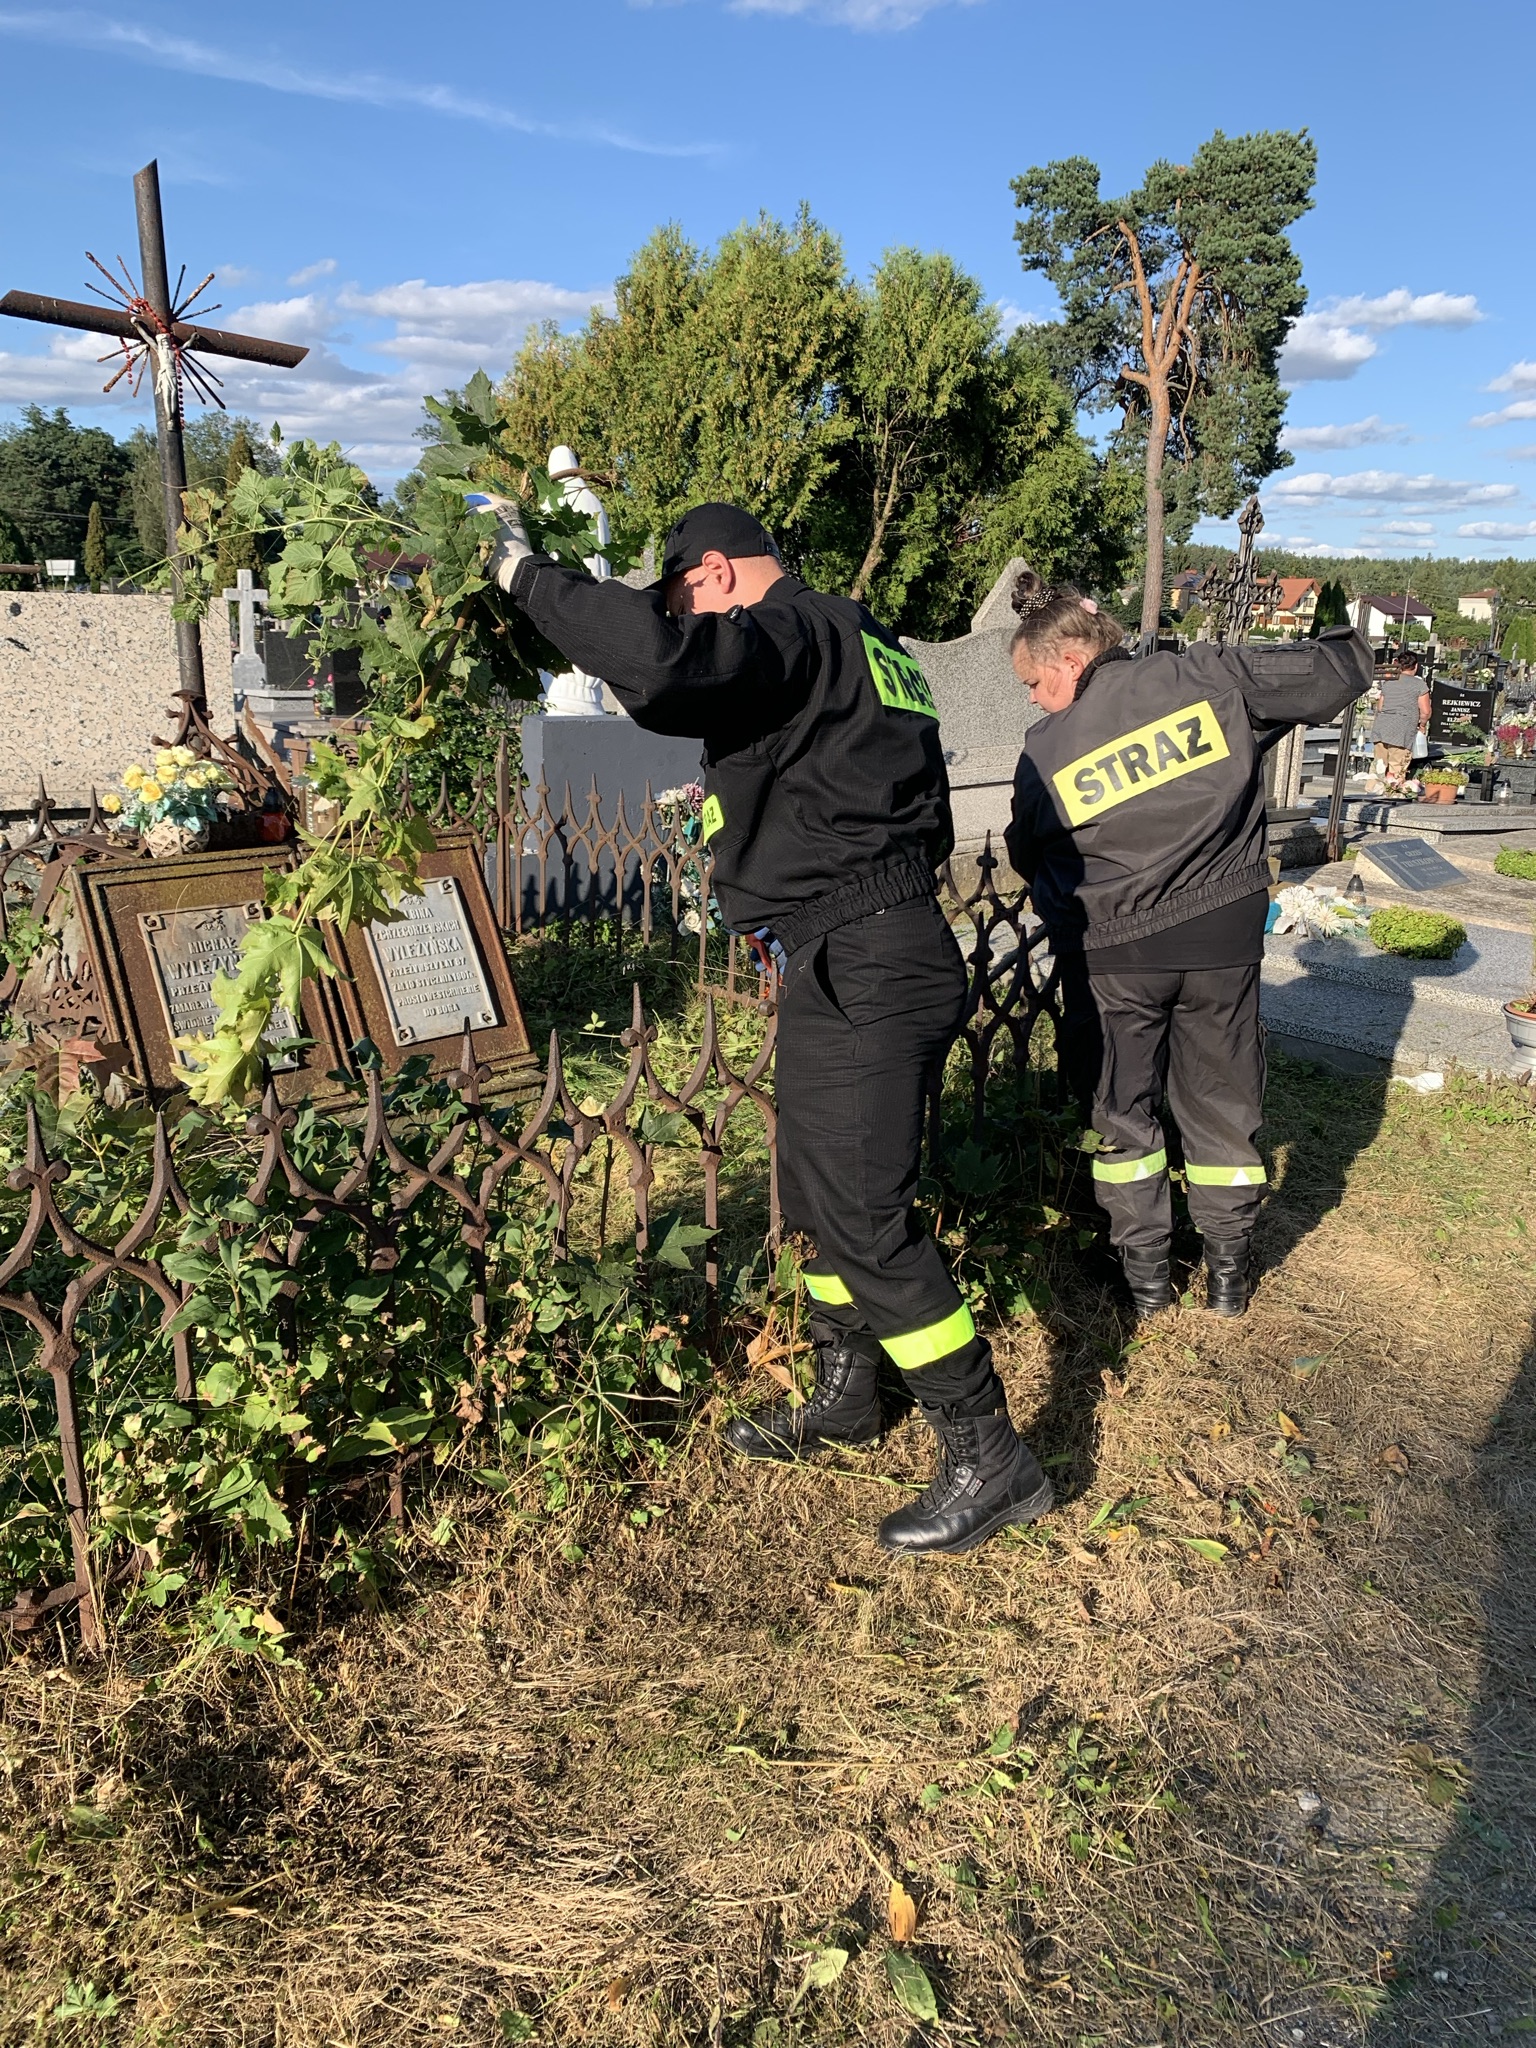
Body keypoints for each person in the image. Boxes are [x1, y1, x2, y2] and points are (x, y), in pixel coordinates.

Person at [478, 493, 1054, 1557]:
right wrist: (733, 825)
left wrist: (529, 581)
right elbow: (848, 786)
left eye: (685, 595)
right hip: (857, 945)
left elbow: (662, 666)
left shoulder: (798, 625)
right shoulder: (862, 645)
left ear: (718, 574)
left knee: (869, 1220)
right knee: (821, 1191)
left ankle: (990, 1454)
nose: (689, 616)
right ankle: (847, 1389)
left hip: (866, 956)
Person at [1004, 570, 1372, 1318]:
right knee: (1222, 1099)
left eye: (1035, 682)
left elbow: (1026, 851)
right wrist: (1337, 626)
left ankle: (1146, 1286)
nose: (1034, 700)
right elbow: (1335, 673)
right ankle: (1229, 1276)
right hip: (1222, 942)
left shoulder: (1047, 747)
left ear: (1071, 660)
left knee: (1124, 1115)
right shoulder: (1208, 676)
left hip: (1116, 959)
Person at [1368, 653, 1432, 789]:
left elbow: (1380, 707)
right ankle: (1393, 794)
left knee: (1378, 765)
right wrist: (1422, 725)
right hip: (1402, 728)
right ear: (1416, 666)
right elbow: (1425, 711)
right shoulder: (1419, 685)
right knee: (1397, 767)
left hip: (1382, 727)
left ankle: (1372, 790)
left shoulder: (1389, 682)